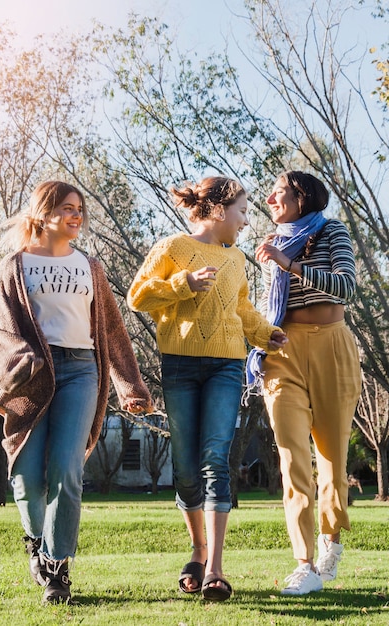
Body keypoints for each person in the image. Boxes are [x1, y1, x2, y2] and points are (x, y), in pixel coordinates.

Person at [0, 181, 153, 605]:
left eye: (80, 209)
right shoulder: (14, 265)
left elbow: (112, 331)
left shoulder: (90, 267)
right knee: (25, 475)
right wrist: (22, 359)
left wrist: (130, 384)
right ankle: (36, 544)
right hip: (34, 376)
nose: (77, 215)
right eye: (67, 208)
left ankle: (57, 570)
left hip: (81, 370)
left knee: (66, 468)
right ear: (43, 212)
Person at [127, 176, 288, 601]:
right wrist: (183, 284)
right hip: (179, 365)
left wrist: (265, 334)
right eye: (242, 211)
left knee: (216, 457)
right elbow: (137, 297)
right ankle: (198, 548)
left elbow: (242, 310)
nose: (246, 220)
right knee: (184, 467)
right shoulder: (173, 248)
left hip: (227, 365)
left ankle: (215, 568)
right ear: (218, 210)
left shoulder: (235, 260)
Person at [247, 170, 361, 596]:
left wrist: (289, 264)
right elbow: (266, 302)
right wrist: (259, 337)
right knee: (292, 458)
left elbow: (345, 286)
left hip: (332, 347)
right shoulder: (271, 243)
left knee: (332, 458)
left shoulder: (332, 232)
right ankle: (305, 563)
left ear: (303, 197)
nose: (270, 198)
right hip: (284, 352)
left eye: (279, 192)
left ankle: (331, 539)